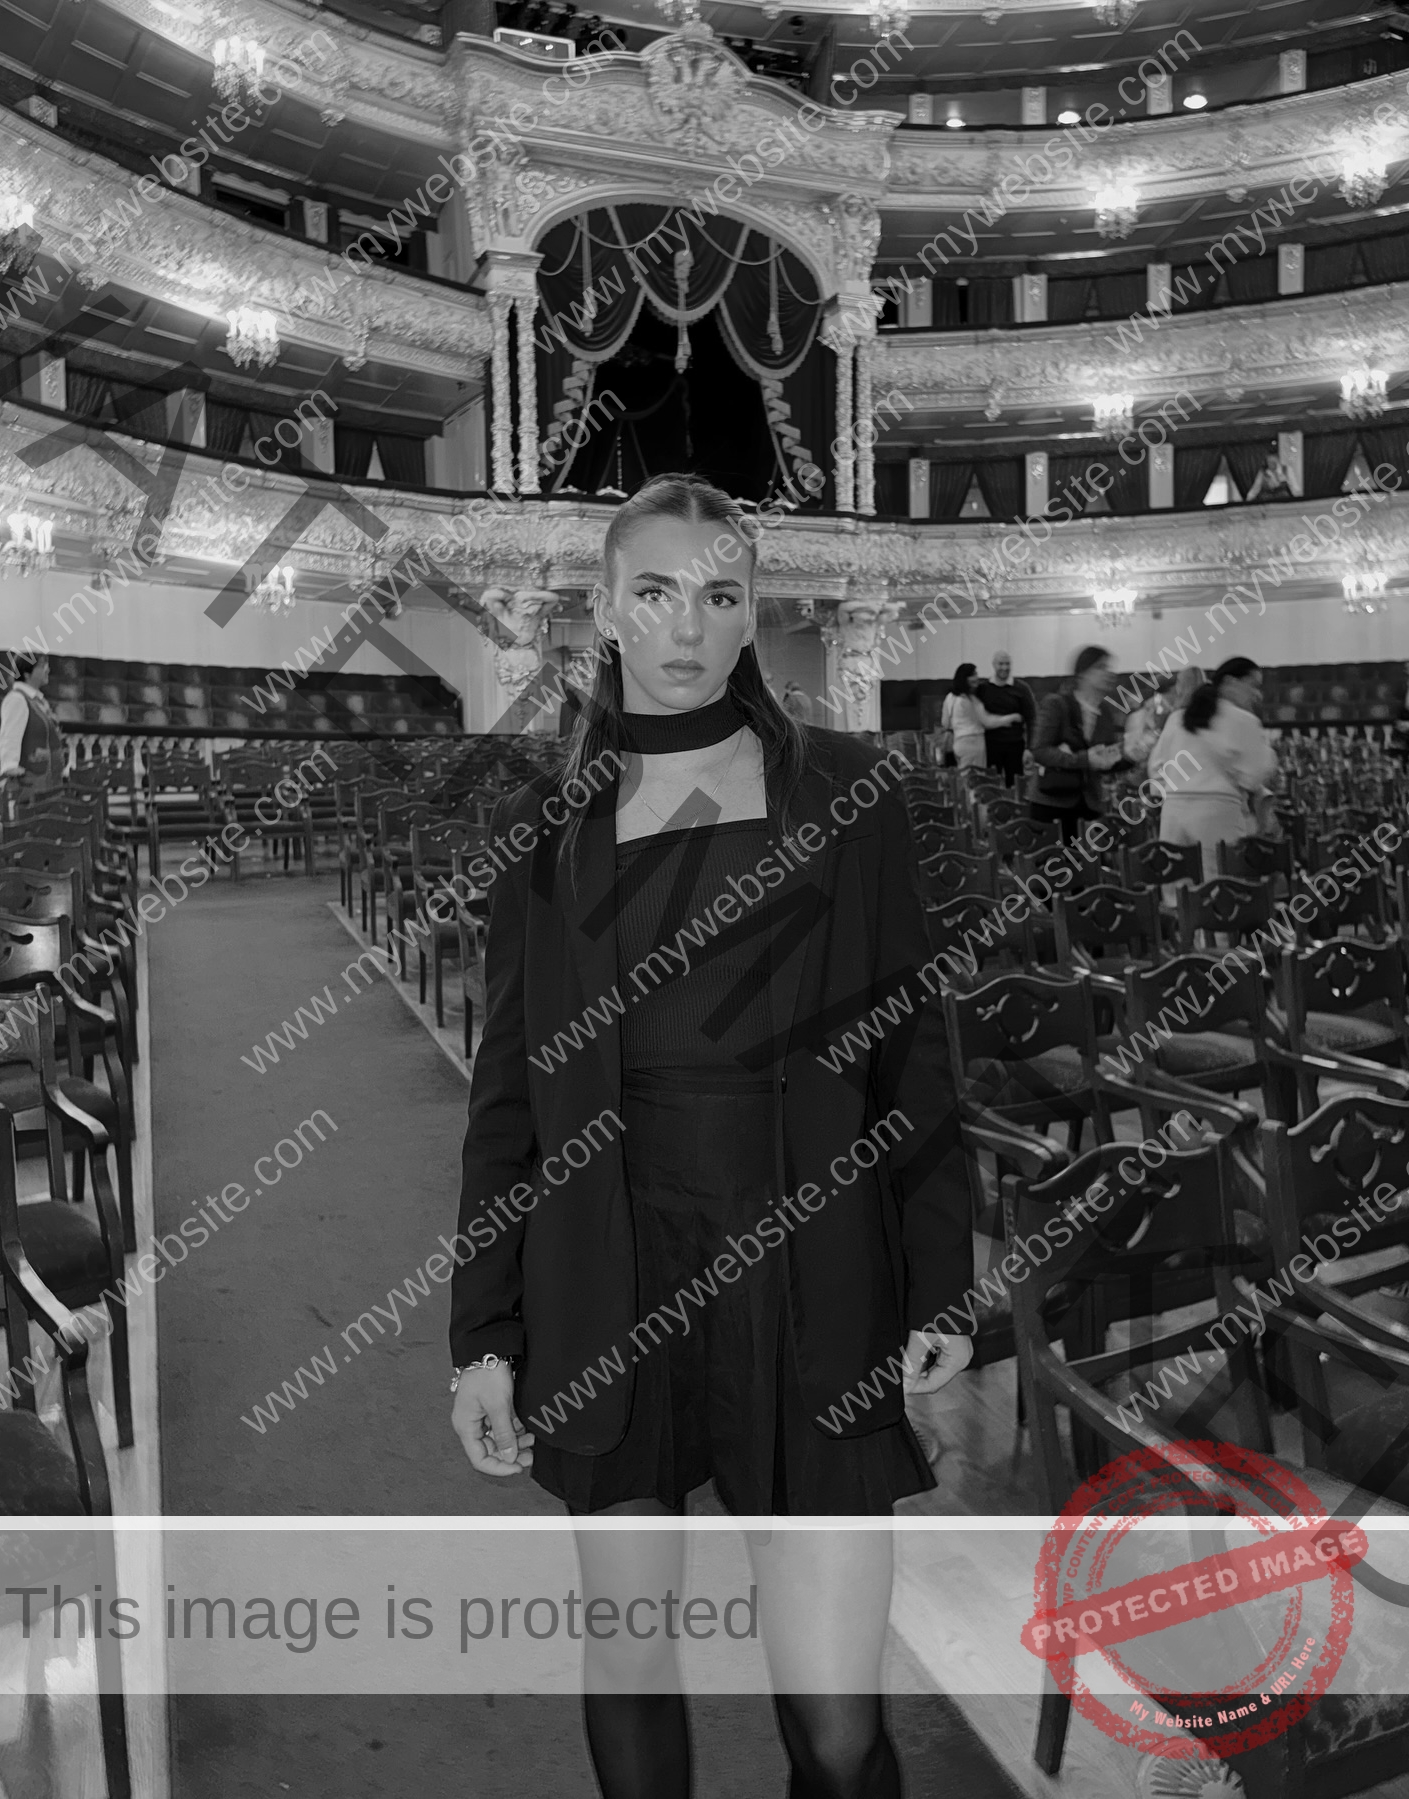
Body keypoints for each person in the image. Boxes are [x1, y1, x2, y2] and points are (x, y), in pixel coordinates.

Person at [449, 472, 975, 1799]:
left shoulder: (851, 791)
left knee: (841, 1724)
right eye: (657, 590)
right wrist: (484, 1329)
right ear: (606, 608)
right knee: (631, 1662)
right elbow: (507, 1094)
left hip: (813, 1269)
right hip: (607, 1268)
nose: (688, 625)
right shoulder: (542, 824)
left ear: (755, 614)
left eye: (722, 594)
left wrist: (941, 1279)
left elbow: (915, 1054)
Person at [1150, 656, 1277, 876]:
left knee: (1180, 894)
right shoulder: (1243, 721)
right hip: (1216, 815)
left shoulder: (1177, 718)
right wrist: (1270, 755)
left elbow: (1156, 772)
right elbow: (1253, 777)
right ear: (1230, 683)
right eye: (1253, 685)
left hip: (1173, 817)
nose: (1258, 694)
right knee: (1223, 892)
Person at [1028, 645, 1129, 843]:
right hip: (1052, 803)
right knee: (1054, 869)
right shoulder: (1057, 704)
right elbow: (1039, 751)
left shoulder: (1105, 713)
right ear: (1083, 673)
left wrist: (1131, 756)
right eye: (1101, 667)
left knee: (1087, 869)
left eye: (1110, 667)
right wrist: (1084, 759)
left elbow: (1105, 761)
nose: (1109, 673)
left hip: (1089, 804)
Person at [0, 650, 63, 794]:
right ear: (27, 673)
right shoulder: (17, 699)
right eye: (42, 666)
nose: (48, 670)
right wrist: (10, 765)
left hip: (50, 780)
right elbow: (10, 735)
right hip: (31, 782)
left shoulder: (39, 701)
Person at [940, 662, 1020, 771]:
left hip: (958, 743)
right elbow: (987, 722)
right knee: (974, 780)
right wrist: (1012, 718)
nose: (977, 678)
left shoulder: (950, 697)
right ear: (964, 678)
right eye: (973, 675)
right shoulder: (970, 700)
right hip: (973, 744)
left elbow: (945, 723)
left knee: (963, 776)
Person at [976, 650, 1037, 785]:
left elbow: (1032, 719)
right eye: (1001, 664)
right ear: (993, 665)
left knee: (1015, 786)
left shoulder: (1022, 688)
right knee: (990, 785)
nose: (1004, 667)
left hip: (1015, 745)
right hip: (990, 745)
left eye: (1007, 664)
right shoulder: (983, 688)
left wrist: (1030, 748)